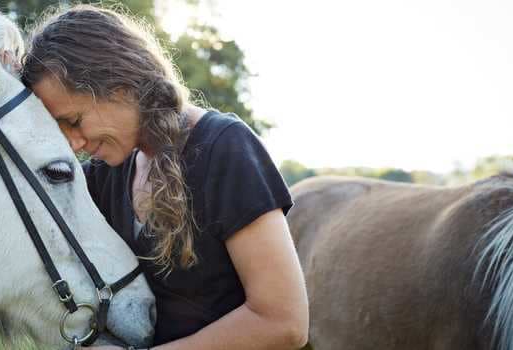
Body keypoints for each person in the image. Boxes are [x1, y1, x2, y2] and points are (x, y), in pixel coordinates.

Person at [21, 5, 309, 350]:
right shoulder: (104, 174)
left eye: (75, 120)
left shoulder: (225, 149)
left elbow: (284, 321)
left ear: (119, 85)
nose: (74, 143)